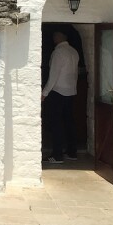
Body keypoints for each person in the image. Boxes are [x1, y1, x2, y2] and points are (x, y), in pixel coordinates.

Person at [42, 30, 80, 164]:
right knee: (69, 122)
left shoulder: (58, 53)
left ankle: (57, 155)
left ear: (58, 37)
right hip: (71, 91)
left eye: (54, 36)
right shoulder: (74, 52)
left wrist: (45, 93)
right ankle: (72, 152)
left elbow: (54, 75)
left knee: (56, 123)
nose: (53, 39)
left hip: (58, 91)